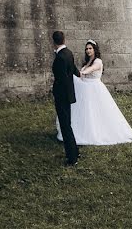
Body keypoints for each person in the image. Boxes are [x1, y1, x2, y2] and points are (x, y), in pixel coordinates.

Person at [57, 39, 132, 146]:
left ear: (94, 49)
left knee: (96, 112)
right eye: (86, 49)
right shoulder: (87, 61)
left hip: (94, 89)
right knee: (85, 111)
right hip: (85, 89)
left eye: (90, 48)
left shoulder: (98, 61)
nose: (88, 51)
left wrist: (81, 73)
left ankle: (97, 132)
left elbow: (91, 70)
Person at [52, 30, 80, 166]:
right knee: (67, 124)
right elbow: (74, 69)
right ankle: (75, 151)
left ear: (53, 42)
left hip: (62, 96)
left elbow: (61, 79)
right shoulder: (68, 53)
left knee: (65, 126)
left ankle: (72, 158)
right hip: (68, 94)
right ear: (64, 39)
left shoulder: (60, 58)